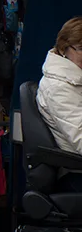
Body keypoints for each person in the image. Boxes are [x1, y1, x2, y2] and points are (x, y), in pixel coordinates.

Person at [36, 17, 82, 164]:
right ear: (63, 49)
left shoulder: (75, 79)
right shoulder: (58, 87)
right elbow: (80, 138)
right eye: (81, 48)